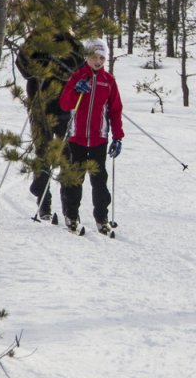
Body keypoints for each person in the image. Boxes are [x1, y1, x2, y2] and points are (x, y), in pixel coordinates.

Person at [58, 37, 125, 235]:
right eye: (94, 57)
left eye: (102, 58)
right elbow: (65, 104)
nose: (98, 61)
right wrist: (75, 90)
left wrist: (118, 137)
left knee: (99, 181)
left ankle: (102, 218)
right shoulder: (77, 77)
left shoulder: (108, 81)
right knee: (75, 179)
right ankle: (71, 215)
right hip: (76, 137)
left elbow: (115, 110)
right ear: (87, 57)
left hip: (98, 139)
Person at [16, 29, 81, 220]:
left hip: (63, 106)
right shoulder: (36, 37)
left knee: (66, 155)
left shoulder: (69, 39)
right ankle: (43, 203)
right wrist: (41, 65)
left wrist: (60, 65)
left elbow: (78, 65)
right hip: (39, 105)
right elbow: (22, 65)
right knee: (42, 152)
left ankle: (68, 208)